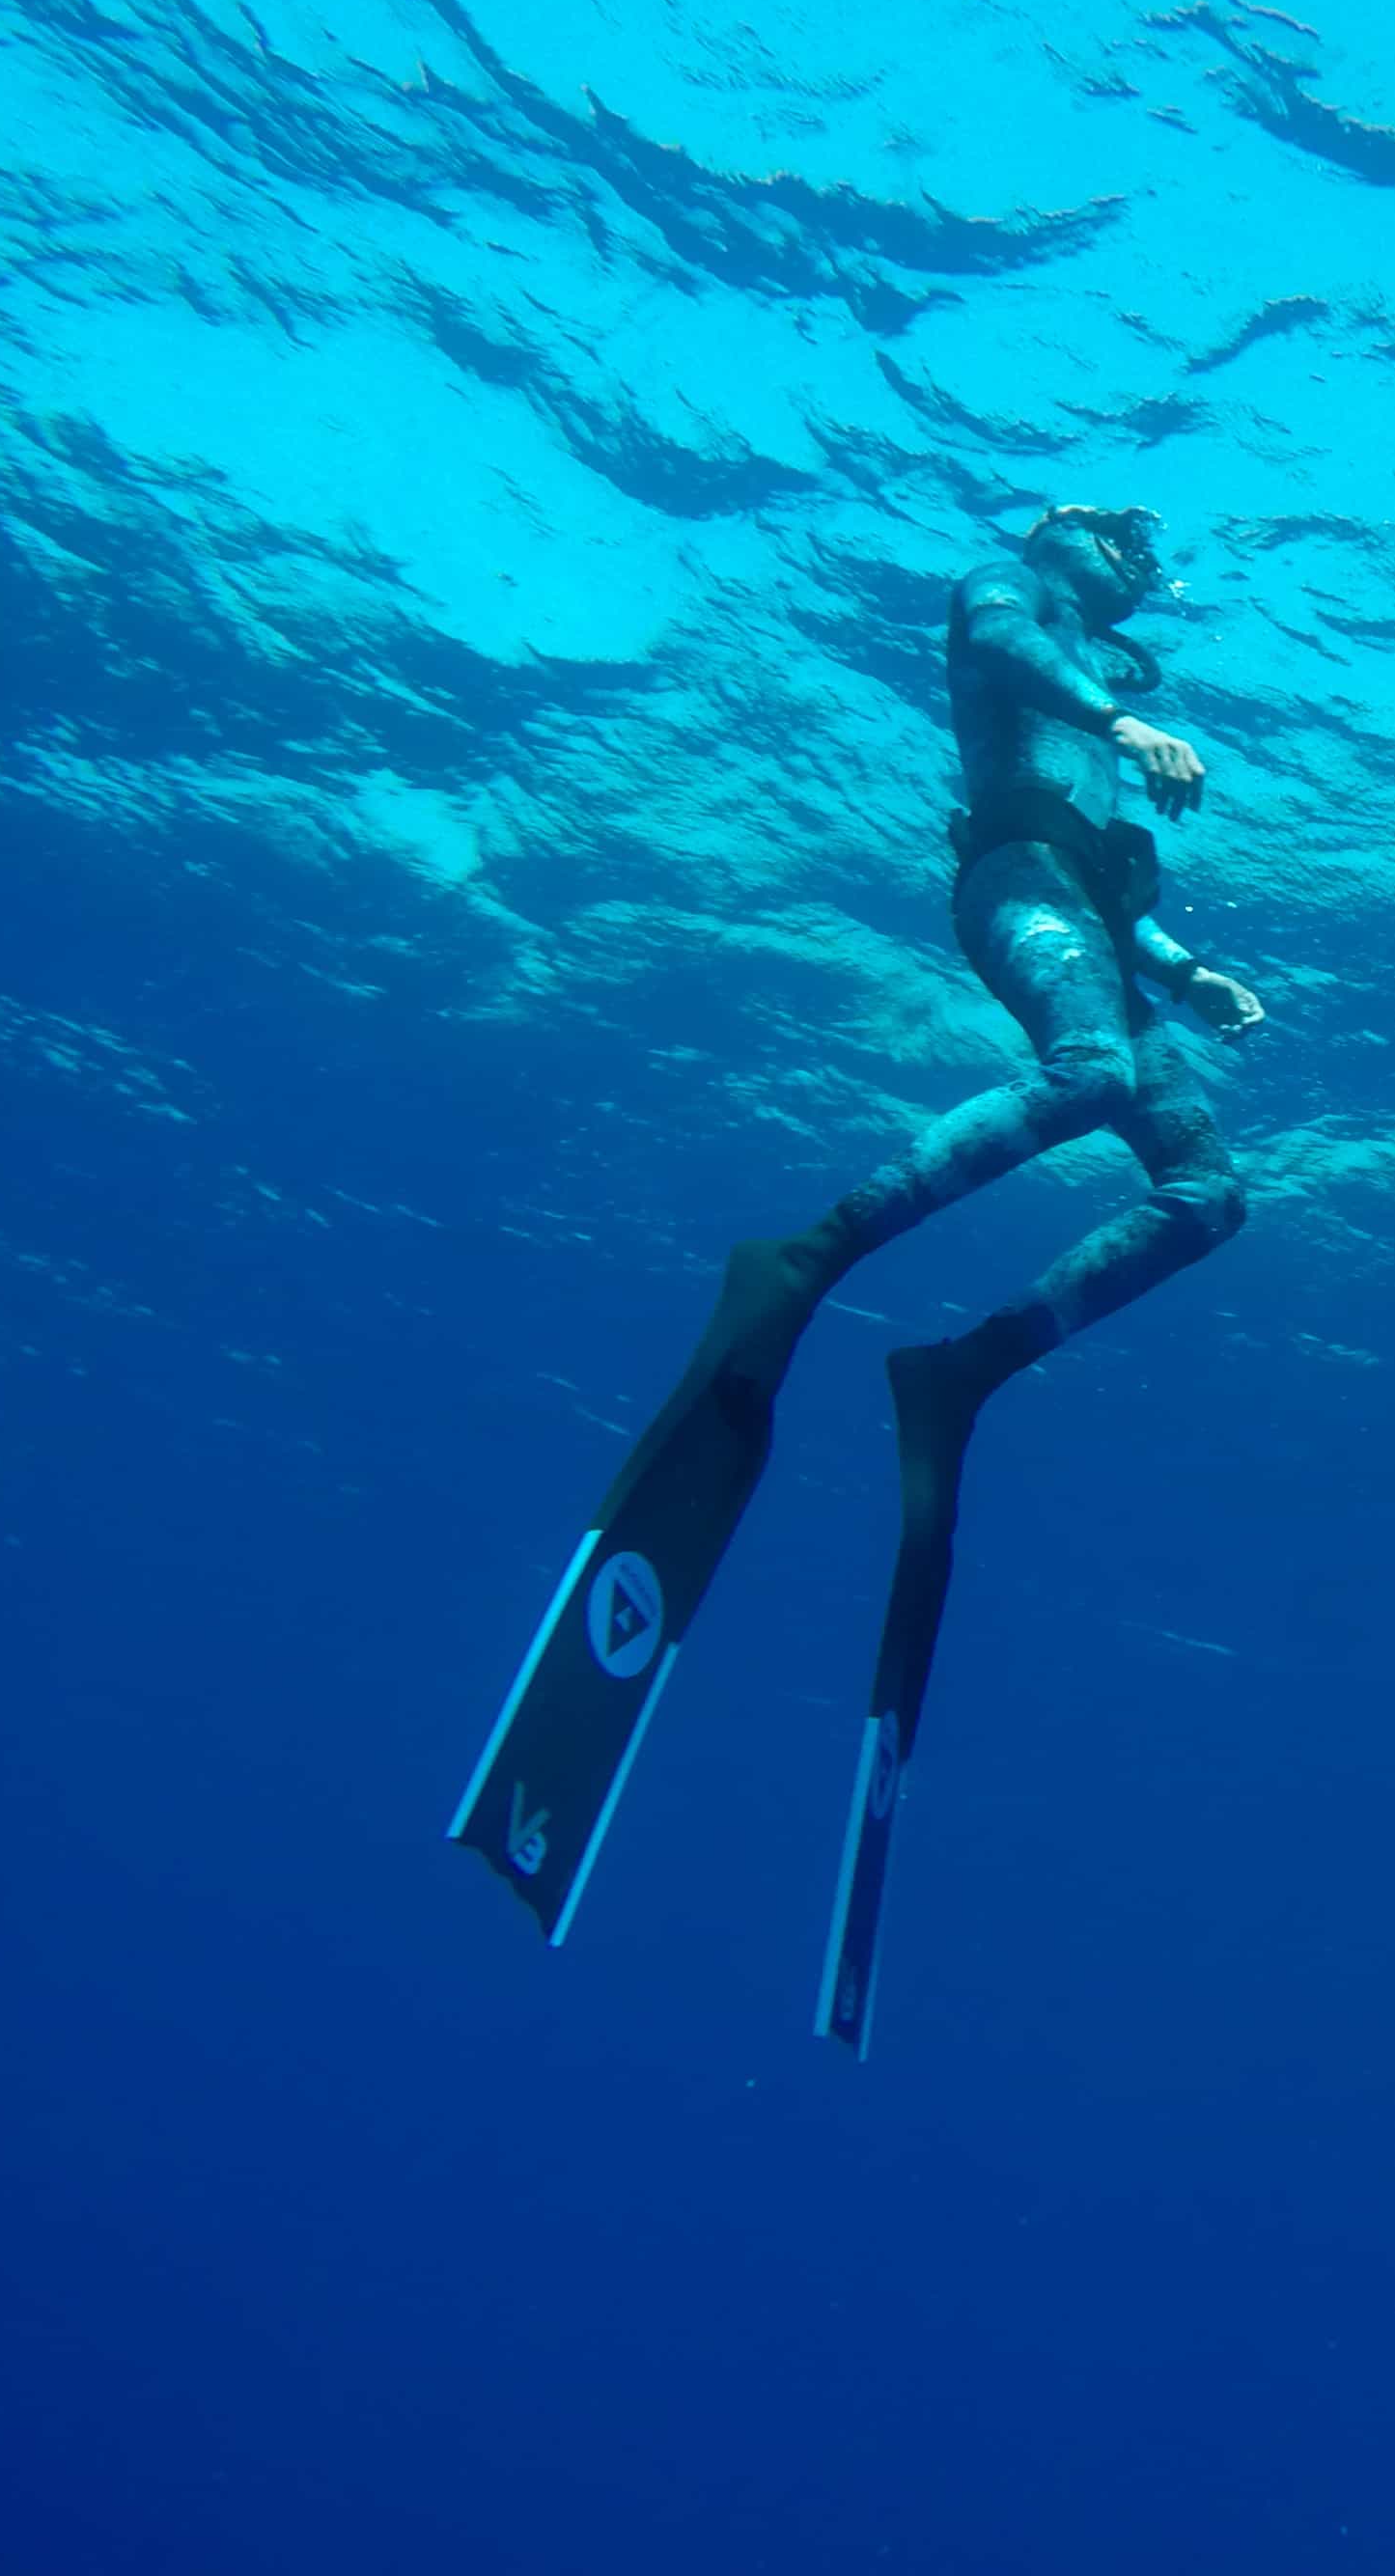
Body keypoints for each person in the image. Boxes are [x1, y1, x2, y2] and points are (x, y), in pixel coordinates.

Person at [453, 501, 1256, 1945]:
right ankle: (810, 1257)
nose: (1144, 562)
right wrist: (1116, 726)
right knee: (1087, 1075)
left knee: (1208, 1192)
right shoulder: (1012, 595)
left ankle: (963, 1369)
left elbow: (1108, 873)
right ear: (1065, 531)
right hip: (1011, 890)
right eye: (1123, 535)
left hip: (1086, 913)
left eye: (1151, 551)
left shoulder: (1105, 702)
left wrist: (1188, 972)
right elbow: (1004, 663)